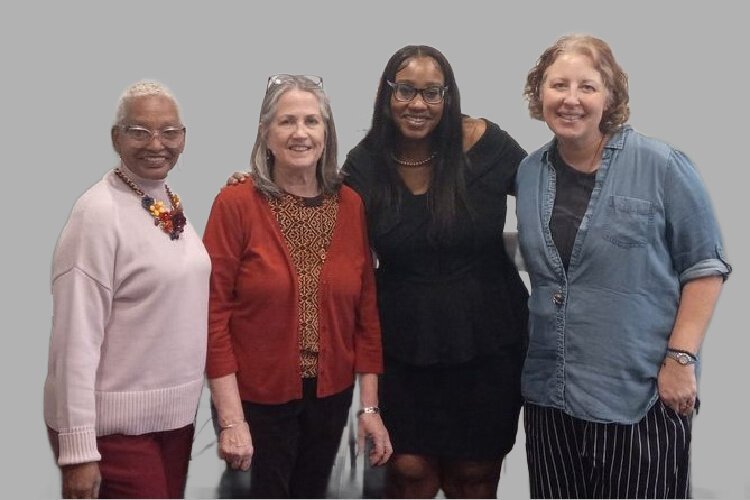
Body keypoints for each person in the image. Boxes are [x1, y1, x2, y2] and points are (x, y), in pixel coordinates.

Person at [516, 33, 732, 499]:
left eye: (587, 87)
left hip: (639, 392)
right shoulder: (529, 172)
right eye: (558, 85)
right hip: (550, 394)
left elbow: (705, 267)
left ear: (610, 96)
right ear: (539, 93)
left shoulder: (662, 165)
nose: (570, 100)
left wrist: (681, 359)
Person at [342, 45, 529, 498]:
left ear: (450, 97)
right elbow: (315, 205)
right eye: (406, 90)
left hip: (488, 343)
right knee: (408, 471)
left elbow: (551, 187)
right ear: (387, 94)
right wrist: (258, 180)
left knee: (474, 474)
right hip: (403, 347)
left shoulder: (486, 145)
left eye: (432, 92)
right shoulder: (365, 164)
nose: (418, 104)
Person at [202, 74, 391, 499]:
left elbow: (366, 312)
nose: (300, 133)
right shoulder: (235, 204)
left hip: (330, 396)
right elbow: (212, 317)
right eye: (287, 121)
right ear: (266, 134)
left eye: (312, 121)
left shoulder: (349, 204)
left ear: (327, 133)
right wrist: (231, 420)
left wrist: (369, 407)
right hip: (256, 400)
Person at [43, 80, 210, 499]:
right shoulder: (97, 213)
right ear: (115, 137)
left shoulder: (165, 199)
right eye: (139, 131)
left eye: (170, 132)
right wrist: (78, 451)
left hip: (171, 425)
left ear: (184, 139)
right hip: (111, 431)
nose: (157, 144)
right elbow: (74, 339)